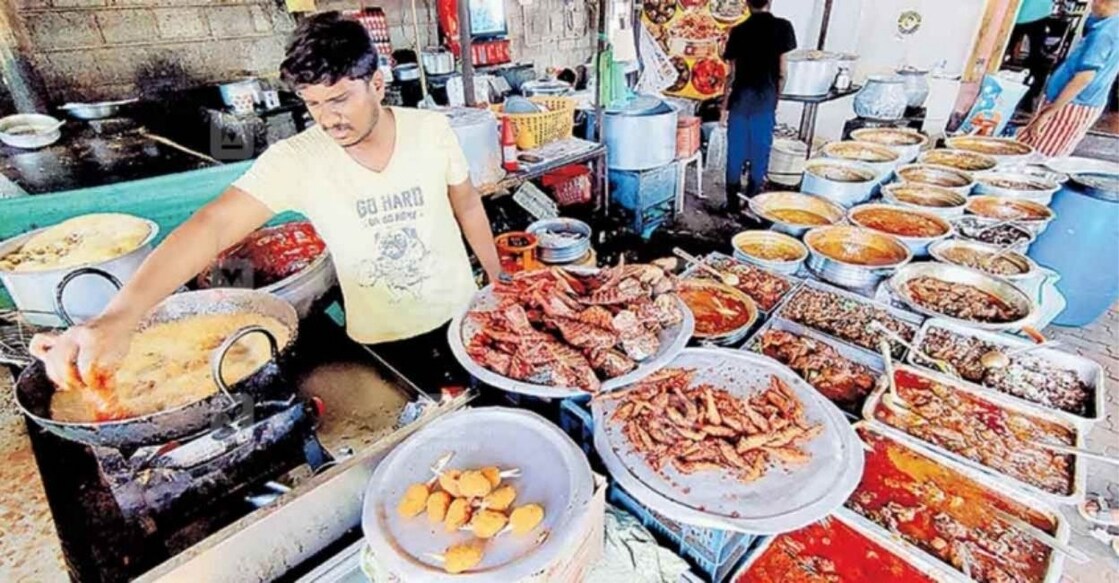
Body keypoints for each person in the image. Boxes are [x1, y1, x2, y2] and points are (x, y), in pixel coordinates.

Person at [29, 12, 502, 393]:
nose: (328, 118)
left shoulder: (432, 132)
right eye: (313, 103)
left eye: (339, 99)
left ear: (377, 85)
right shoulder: (296, 160)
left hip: (461, 316)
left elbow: (467, 206)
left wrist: (497, 284)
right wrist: (120, 316)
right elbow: (212, 227)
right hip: (379, 341)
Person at [719, 0, 796, 215]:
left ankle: (732, 205)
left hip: (740, 101)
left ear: (746, 3)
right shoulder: (783, 27)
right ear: (769, 2)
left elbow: (731, 76)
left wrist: (724, 108)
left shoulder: (738, 31)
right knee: (760, 153)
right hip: (765, 101)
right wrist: (775, 98)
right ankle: (752, 204)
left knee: (735, 154)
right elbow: (782, 73)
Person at [1019, 0, 1119, 157]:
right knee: (1029, 147)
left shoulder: (1103, 35)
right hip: (1079, 102)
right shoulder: (1110, 25)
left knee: (1038, 156)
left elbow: (1083, 78)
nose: (1092, 4)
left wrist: (1049, 112)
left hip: (1072, 104)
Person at [1007, 0, 1055, 111]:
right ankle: (1029, 98)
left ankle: (1028, 98)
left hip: (1019, 12)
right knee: (1036, 58)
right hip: (1038, 12)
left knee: (1002, 53)